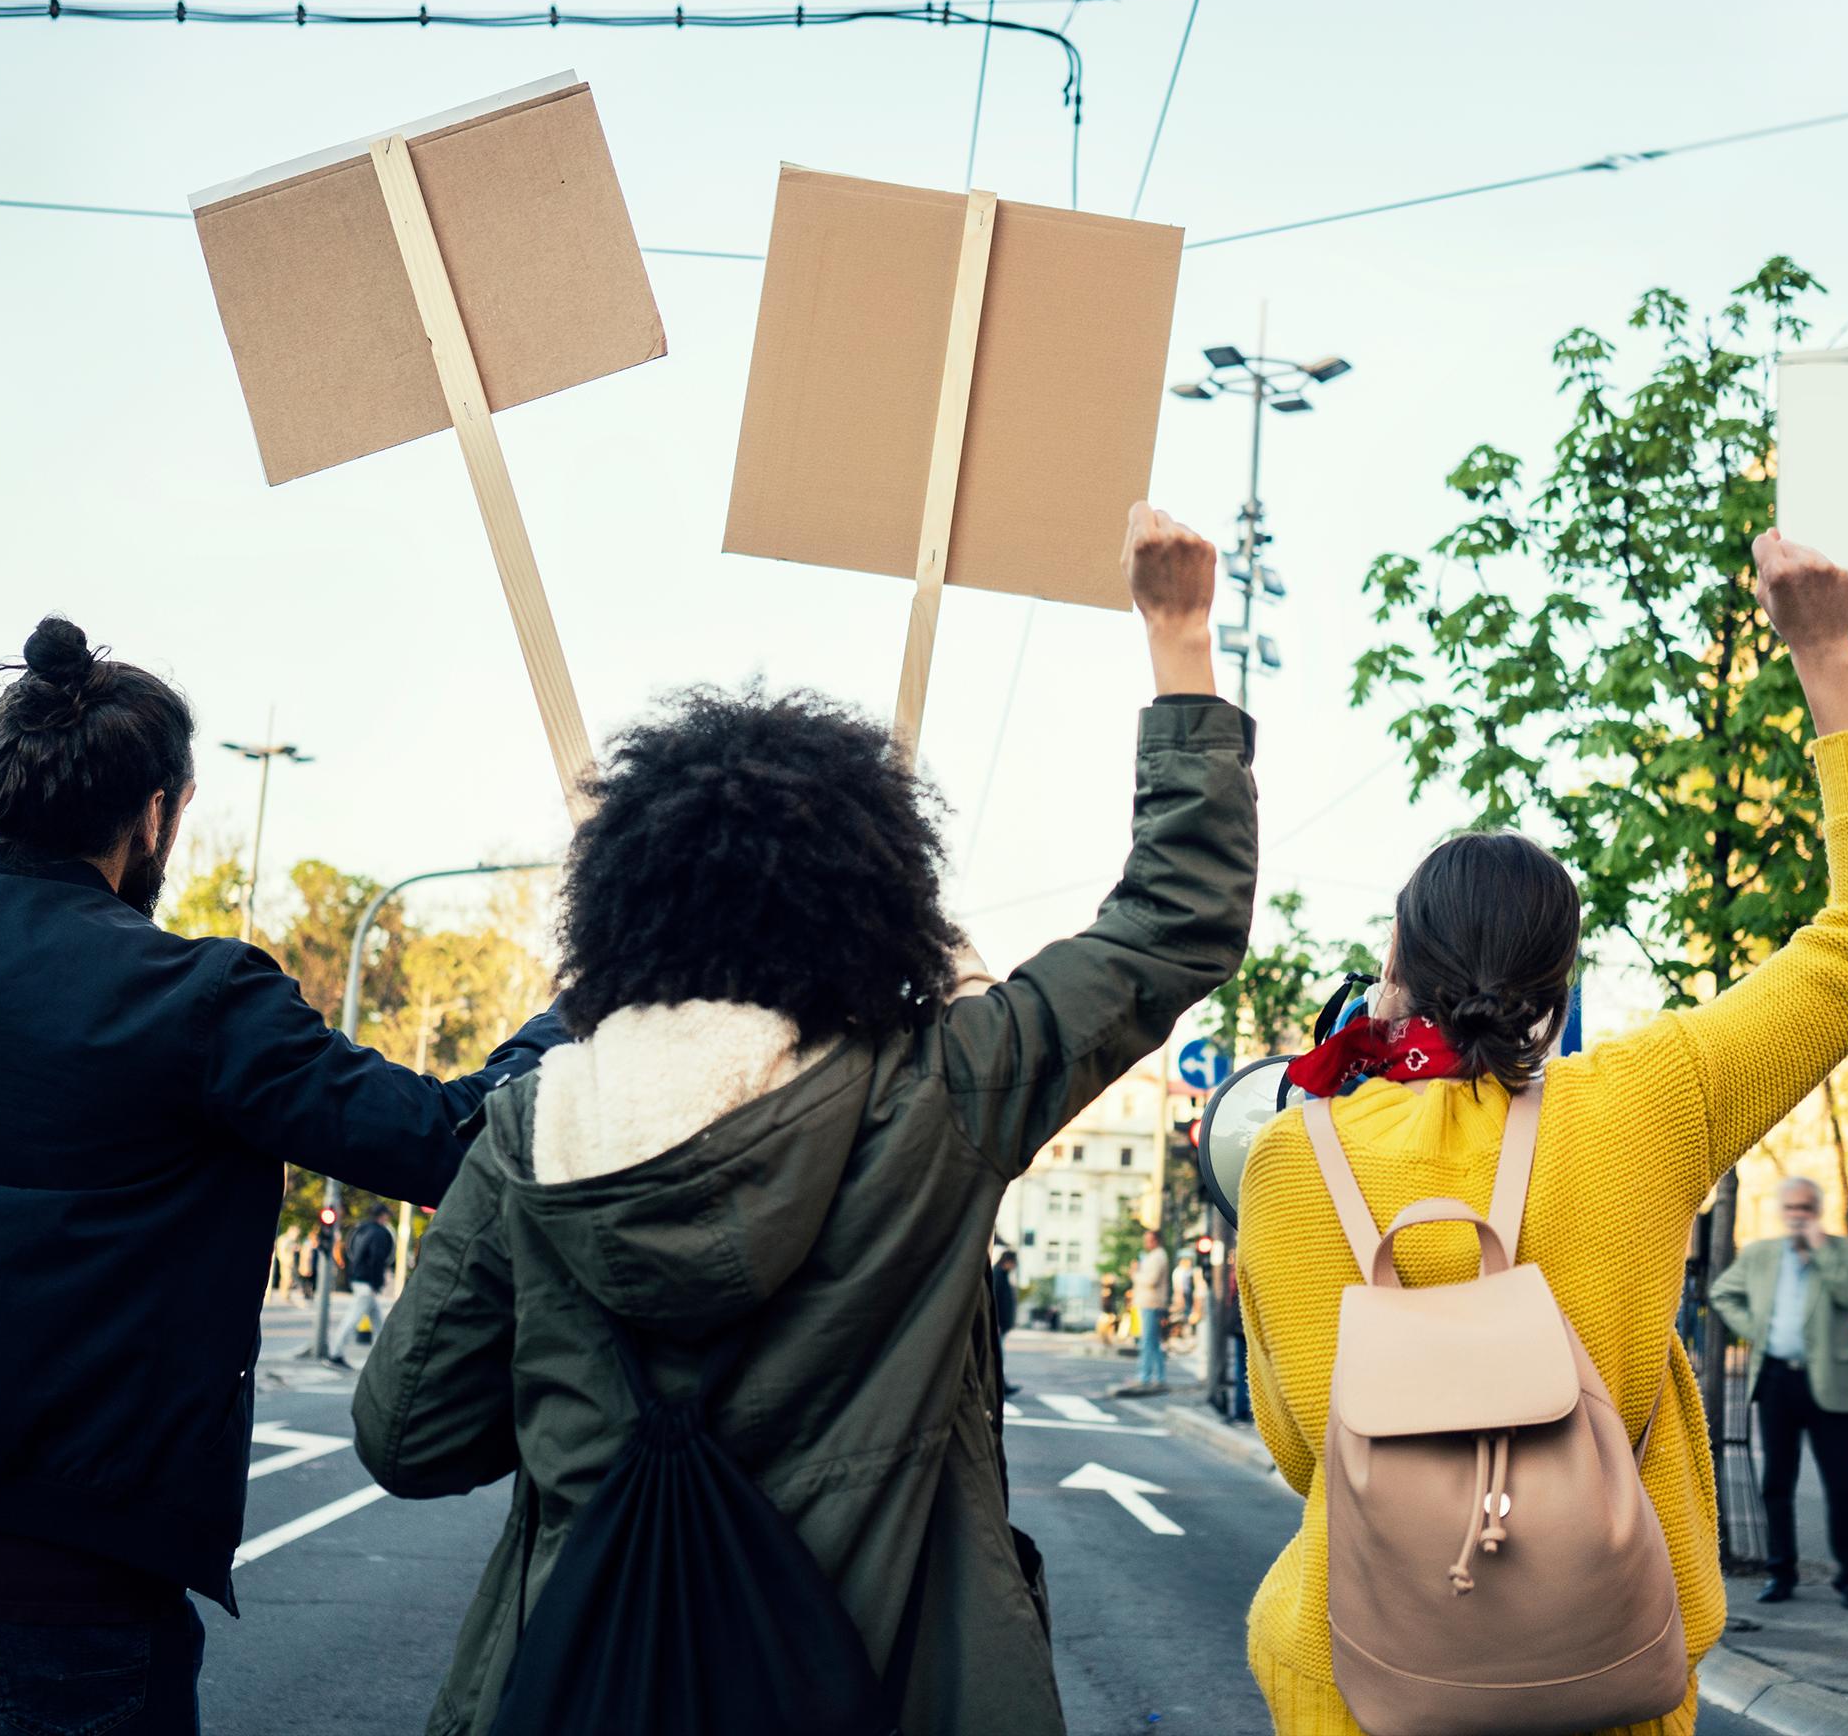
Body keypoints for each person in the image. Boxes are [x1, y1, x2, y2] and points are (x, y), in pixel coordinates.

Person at [351, 502, 1256, 1736]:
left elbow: (407, 1436)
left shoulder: (532, 1132)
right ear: (874, 903)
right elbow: (1173, 920)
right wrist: (1179, 637)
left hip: (584, 1687)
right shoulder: (942, 1093)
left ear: (623, 911)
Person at [0, 572, 565, 1735]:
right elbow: (451, 1139)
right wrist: (586, 1005)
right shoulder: (203, 1006)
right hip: (73, 1610)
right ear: (156, 816)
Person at [1237, 530, 1848, 1736]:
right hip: (1597, 1670)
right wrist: (1824, 652)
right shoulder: (1652, 1100)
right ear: (1560, 984)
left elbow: (1303, 1453)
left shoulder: (1294, 1156)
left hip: (1355, 1678)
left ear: (1392, 965)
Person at [1712, 1178, 1848, 1608]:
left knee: (1841, 1485)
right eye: (1791, 1207)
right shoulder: (1761, 1255)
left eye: (1805, 1206)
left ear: (1816, 1209)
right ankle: (1781, 1572)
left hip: (1832, 1385)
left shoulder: (1843, 1250)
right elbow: (1722, 1293)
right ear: (1782, 1210)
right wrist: (1756, 1332)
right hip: (1777, 1381)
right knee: (1777, 1484)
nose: (1797, 1213)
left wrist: (1820, 1249)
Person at [329, 1205, 399, 1362]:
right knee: (353, 1318)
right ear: (382, 1216)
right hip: (367, 1283)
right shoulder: (379, 1233)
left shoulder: (361, 1229)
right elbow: (377, 1259)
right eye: (387, 1215)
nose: (388, 1218)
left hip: (359, 1279)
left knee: (378, 1321)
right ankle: (335, 1353)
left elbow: (352, 1253)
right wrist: (376, 1282)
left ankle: (384, 1356)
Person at [1131, 1227, 1172, 1388]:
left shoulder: (1158, 1257)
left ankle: (1145, 1376)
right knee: (1153, 1343)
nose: (1146, 1243)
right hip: (1149, 1303)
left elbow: (1151, 1280)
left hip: (1151, 1303)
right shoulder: (1155, 1256)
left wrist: (1135, 1273)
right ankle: (1159, 1377)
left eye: (1149, 1240)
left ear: (1156, 1240)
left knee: (1148, 1342)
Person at [991, 1250, 1022, 1398]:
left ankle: (1000, 1386)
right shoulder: (998, 1275)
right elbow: (994, 1301)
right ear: (1007, 1261)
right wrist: (995, 1323)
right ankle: (1000, 1386)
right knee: (996, 1357)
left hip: (1000, 1325)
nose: (1014, 1266)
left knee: (996, 1357)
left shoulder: (1000, 1275)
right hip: (998, 1325)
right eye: (1014, 1263)